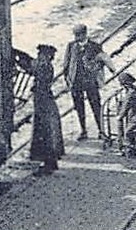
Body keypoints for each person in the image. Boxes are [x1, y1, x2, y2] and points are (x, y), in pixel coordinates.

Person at [14, 44, 64, 174]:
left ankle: (48, 164)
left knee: (44, 132)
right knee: (47, 132)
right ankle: (50, 162)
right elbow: (32, 64)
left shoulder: (43, 65)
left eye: (40, 54)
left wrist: (17, 56)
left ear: (44, 55)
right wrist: (21, 55)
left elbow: (31, 66)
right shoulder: (46, 65)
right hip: (46, 99)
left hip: (43, 101)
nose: (38, 56)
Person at [63, 23, 116, 140]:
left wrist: (96, 70)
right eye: (75, 35)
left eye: (79, 35)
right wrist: (67, 79)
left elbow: (102, 61)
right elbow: (66, 63)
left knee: (96, 106)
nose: (76, 37)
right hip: (76, 82)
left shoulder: (95, 46)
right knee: (79, 107)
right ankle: (83, 131)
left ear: (85, 34)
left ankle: (101, 131)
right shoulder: (71, 46)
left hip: (90, 82)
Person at [111, 72, 136, 158]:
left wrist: (119, 116)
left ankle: (131, 149)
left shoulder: (131, 94)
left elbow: (125, 106)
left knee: (129, 133)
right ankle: (135, 150)